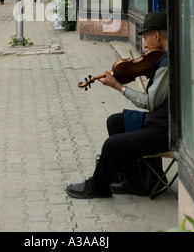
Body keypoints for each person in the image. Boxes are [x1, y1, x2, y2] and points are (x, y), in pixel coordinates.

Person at [66, 11, 169, 199]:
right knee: (115, 122)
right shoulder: (165, 58)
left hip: (166, 129)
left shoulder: (168, 64)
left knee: (112, 145)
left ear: (156, 35)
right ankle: (134, 181)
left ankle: (97, 187)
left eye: (146, 37)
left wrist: (119, 87)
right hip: (161, 120)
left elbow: (151, 103)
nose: (144, 45)